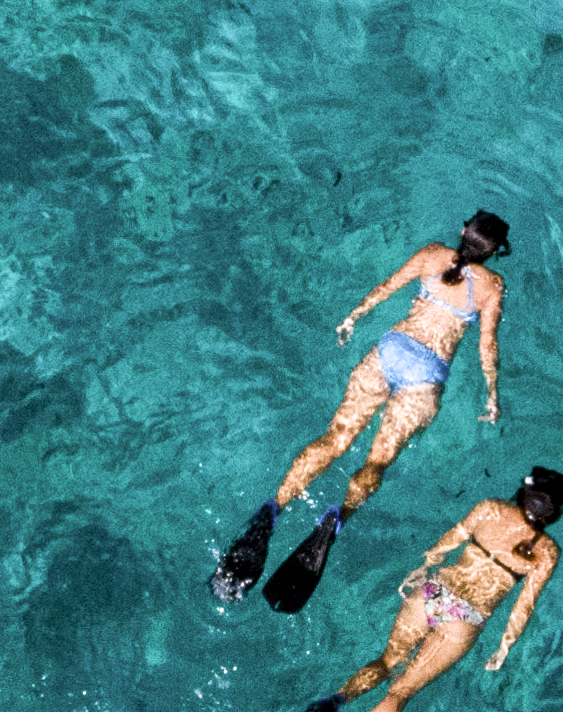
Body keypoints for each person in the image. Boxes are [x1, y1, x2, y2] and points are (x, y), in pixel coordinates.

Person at [251, 467, 563, 712]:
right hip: (465, 621)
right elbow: (524, 604)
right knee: (400, 693)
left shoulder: (490, 509)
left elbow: (447, 543)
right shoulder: (546, 551)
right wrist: (504, 645)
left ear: (522, 492)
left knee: (385, 662)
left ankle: (332, 704)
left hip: (435, 591)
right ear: (553, 513)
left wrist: (422, 568)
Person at [214, 211, 512, 610]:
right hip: (425, 377)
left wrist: (352, 317)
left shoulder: (432, 255)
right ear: (495, 252)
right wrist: (492, 394)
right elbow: (486, 346)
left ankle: (274, 508)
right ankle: (335, 521)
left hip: (390, 351)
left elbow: (387, 287)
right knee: (377, 462)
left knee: (335, 437)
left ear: (462, 231)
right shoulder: (492, 285)